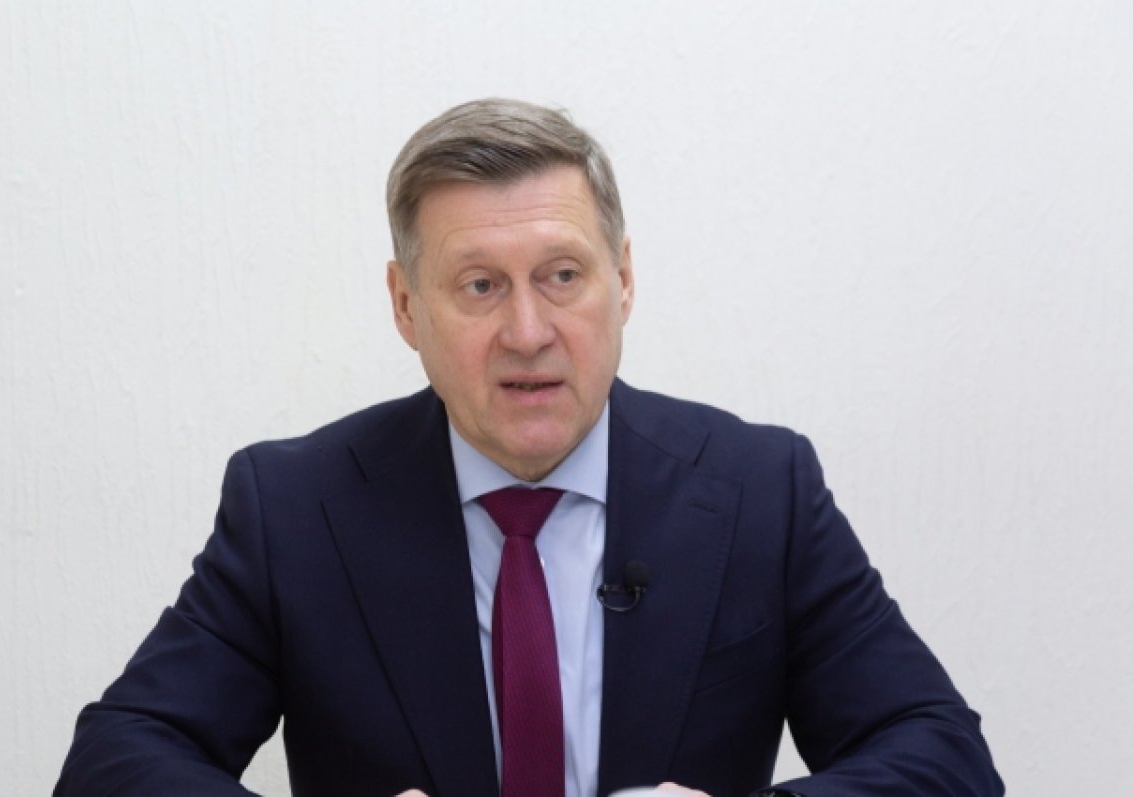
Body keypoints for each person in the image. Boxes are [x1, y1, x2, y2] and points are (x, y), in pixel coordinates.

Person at [55, 98, 1003, 797]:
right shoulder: (295, 507)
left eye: (562, 275)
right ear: (405, 306)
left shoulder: (763, 488)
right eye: (479, 285)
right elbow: (115, 760)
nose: (527, 331)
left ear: (622, 281)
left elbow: (944, 755)